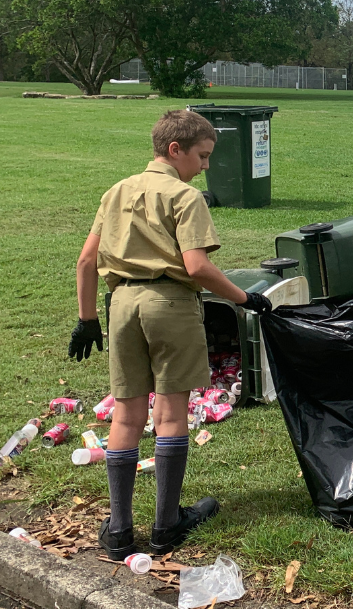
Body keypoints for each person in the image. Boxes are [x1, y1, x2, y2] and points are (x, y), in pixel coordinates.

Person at [68, 109, 273, 561]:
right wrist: (244, 298)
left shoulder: (116, 191)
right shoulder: (185, 196)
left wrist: (87, 320)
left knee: (126, 416)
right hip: (169, 303)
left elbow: (86, 261)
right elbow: (197, 267)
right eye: (202, 156)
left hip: (121, 305)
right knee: (170, 412)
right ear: (175, 150)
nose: (205, 166)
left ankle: (119, 529)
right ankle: (166, 525)